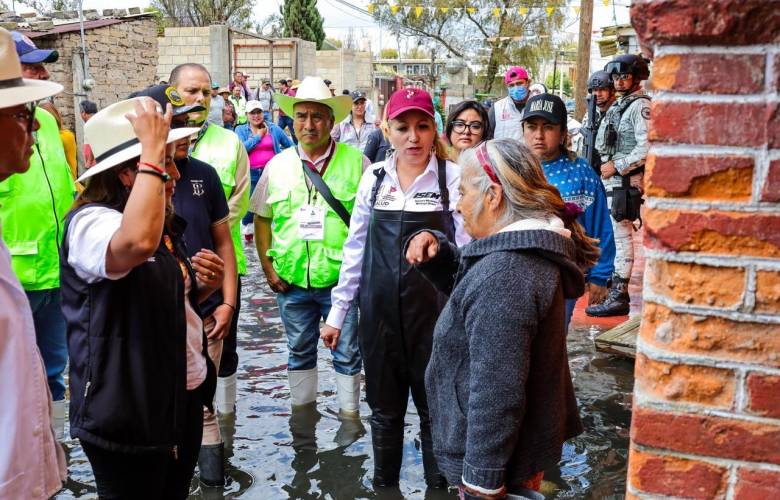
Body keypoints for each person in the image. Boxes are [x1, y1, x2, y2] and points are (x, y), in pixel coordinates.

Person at [405, 138, 598, 499]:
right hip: (516, 451)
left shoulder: (507, 274)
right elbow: (476, 297)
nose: (459, 205)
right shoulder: (518, 255)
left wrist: (482, 480)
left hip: (499, 466)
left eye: (463, 192)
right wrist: (440, 257)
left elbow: (497, 391)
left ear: (493, 196)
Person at [62, 97, 219, 499]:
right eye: (166, 163)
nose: (176, 176)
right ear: (128, 174)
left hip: (175, 399)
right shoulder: (90, 222)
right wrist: (152, 152)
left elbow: (156, 298)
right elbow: (133, 244)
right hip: (125, 410)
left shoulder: (163, 223)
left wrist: (204, 287)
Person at [320, 87, 470, 489]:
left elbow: (468, 253)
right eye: (403, 127)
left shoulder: (450, 177)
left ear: (434, 128)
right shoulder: (374, 178)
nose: (413, 138)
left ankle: (440, 488)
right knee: (384, 412)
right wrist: (337, 314)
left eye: (422, 126)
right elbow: (355, 250)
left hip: (435, 320)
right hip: (379, 316)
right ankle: (384, 487)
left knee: (435, 409)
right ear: (387, 130)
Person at [134, 84, 239, 487]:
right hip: (160, 315)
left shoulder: (204, 175)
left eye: (188, 124)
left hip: (206, 307)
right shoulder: (139, 183)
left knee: (202, 402)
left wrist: (227, 303)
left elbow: (224, 241)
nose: (186, 132)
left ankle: (213, 483)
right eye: (176, 125)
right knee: (166, 405)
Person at [251, 76, 366, 419]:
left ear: (331, 121)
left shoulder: (358, 164)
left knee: (347, 353)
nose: (309, 124)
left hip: (341, 284)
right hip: (291, 282)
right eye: (301, 116)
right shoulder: (277, 165)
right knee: (299, 351)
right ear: (293, 120)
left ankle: (349, 421)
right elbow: (262, 219)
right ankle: (303, 420)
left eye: (317, 117)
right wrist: (268, 269)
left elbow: (373, 227)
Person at [0, 27, 67, 499]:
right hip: (18, 278)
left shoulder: (47, 127)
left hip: (54, 274)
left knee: (48, 373)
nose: (35, 121)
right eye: (23, 110)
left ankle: (52, 459)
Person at [170, 63, 250, 439]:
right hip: (170, 294)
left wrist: (227, 300)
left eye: (206, 92)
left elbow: (233, 210)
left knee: (208, 392)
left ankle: (221, 448)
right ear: (171, 93)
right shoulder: (147, 163)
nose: (200, 99)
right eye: (191, 91)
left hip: (216, 281)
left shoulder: (227, 144)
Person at [521, 93, 615, 329]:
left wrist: (600, 276)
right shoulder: (512, 167)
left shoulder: (581, 173)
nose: (539, 135)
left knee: (552, 342)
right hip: (516, 274)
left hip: (562, 278)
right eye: (532, 127)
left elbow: (600, 226)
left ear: (563, 133)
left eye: (548, 127)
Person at [587, 54, 651, 317]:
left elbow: (647, 146)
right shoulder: (622, 104)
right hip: (612, 178)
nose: (619, 81)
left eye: (624, 76)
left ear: (636, 77)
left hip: (625, 180)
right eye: (616, 77)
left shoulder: (640, 106)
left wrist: (618, 165)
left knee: (622, 238)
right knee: (616, 234)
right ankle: (617, 290)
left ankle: (619, 295)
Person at [236, 100, 293, 239]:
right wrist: (258, 137)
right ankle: (248, 229)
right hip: (252, 173)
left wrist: (286, 160)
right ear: (247, 115)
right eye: (252, 113)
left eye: (259, 112)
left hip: (273, 172)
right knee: (250, 204)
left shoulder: (274, 129)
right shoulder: (241, 130)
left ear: (263, 113)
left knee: (275, 202)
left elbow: (290, 145)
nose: (256, 115)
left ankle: (276, 230)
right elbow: (241, 149)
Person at [489, 66, 531, 142]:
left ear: (528, 83)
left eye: (519, 83)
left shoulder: (537, 105)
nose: (516, 88)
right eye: (511, 85)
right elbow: (487, 137)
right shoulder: (497, 108)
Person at [277, 78, 297, 143]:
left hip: (289, 116)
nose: (279, 86)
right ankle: (277, 144)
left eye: (280, 85)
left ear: (284, 85)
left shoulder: (291, 92)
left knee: (293, 132)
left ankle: (297, 145)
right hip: (281, 116)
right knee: (278, 131)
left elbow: (294, 102)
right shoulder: (280, 92)